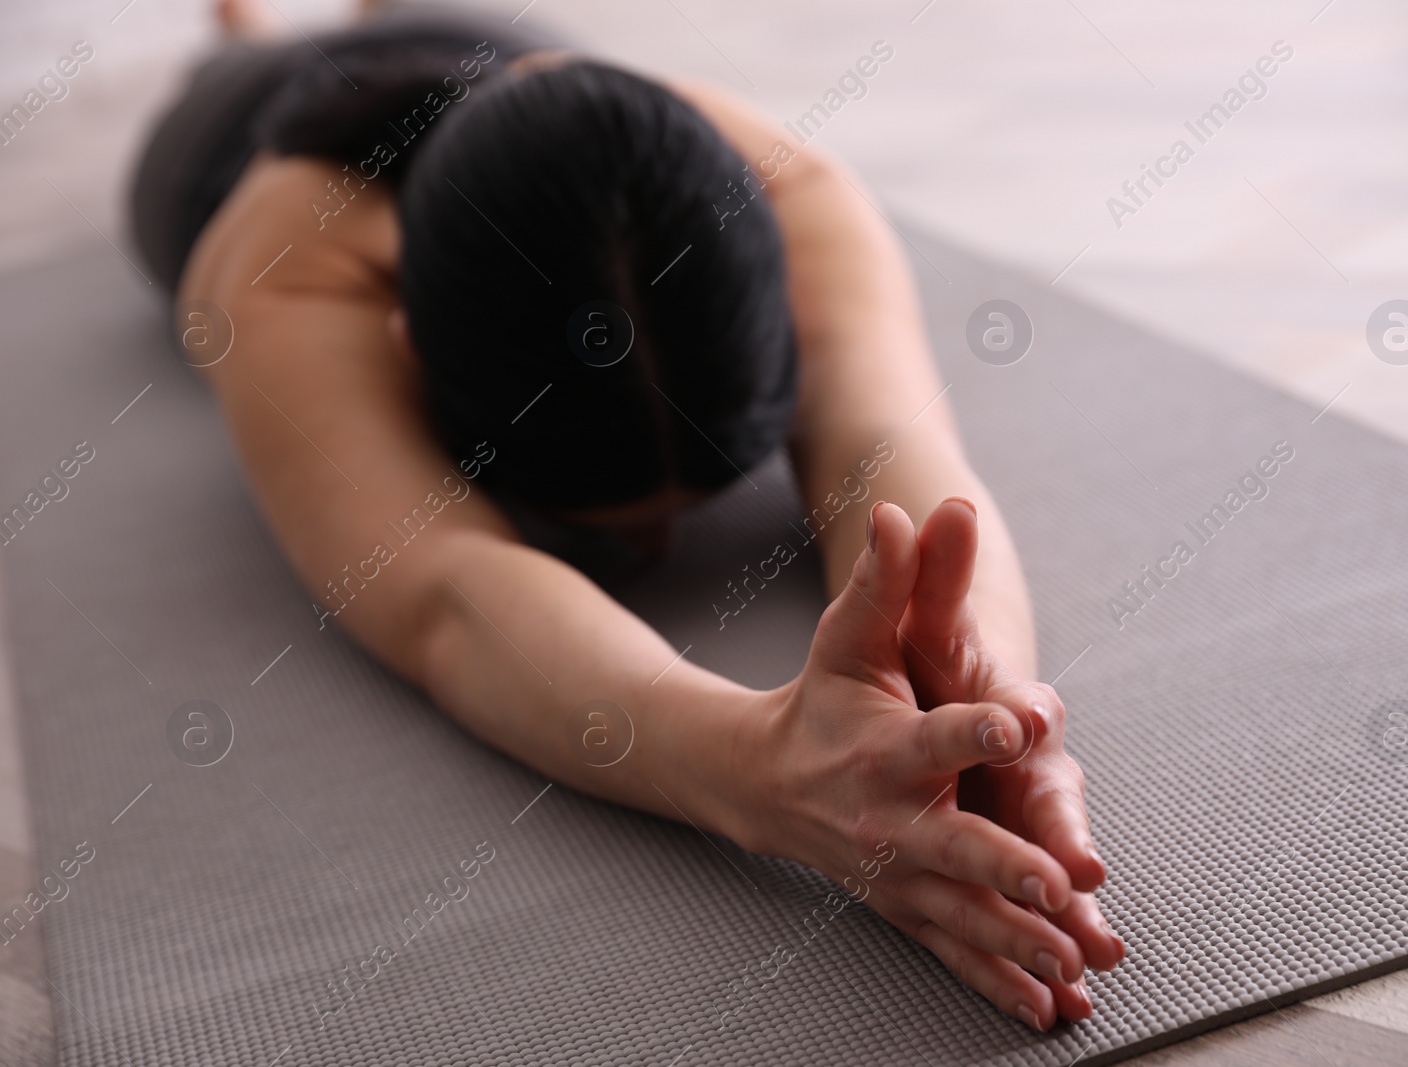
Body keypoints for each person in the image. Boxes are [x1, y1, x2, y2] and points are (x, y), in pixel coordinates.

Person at [131, 0, 1125, 1031]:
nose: (656, 551)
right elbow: (447, 596)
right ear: (408, 356)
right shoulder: (282, 270)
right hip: (242, 124)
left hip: (495, 51)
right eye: (604, 526)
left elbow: (889, 441)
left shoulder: (784, 183)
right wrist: (764, 771)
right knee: (250, 53)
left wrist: (993, 698)